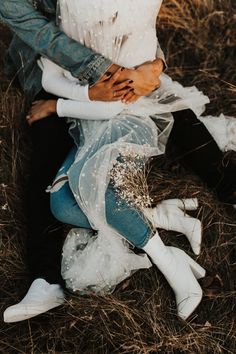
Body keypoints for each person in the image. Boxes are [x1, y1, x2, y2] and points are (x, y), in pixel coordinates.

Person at [2, 0, 235, 323]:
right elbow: (41, 36)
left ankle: (225, 190)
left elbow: (136, 24)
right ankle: (46, 277)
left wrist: (154, 67)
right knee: (47, 155)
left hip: (115, 74)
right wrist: (95, 83)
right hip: (60, 68)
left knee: (176, 113)